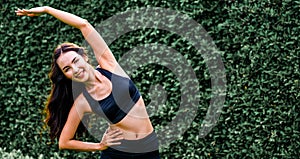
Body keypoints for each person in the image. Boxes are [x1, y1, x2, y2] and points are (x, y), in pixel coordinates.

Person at [16, 6, 160, 159]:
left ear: (84, 56)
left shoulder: (109, 66)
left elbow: (84, 24)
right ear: (67, 76)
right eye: (67, 69)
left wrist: (47, 10)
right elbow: (64, 142)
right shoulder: (83, 101)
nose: (75, 69)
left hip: (149, 148)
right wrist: (99, 146)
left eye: (75, 61)